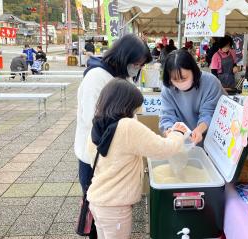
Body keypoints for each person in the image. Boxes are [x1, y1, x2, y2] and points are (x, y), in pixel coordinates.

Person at [87, 80, 187, 239]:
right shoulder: (127, 126)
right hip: (115, 207)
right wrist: (178, 133)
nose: (135, 111)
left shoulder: (98, 124)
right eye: (134, 107)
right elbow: (163, 149)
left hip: (98, 201)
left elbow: (95, 161)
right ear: (125, 105)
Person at [74, 33, 152, 239]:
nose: (138, 68)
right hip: (95, 158)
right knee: (97, 212)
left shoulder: (119, 75)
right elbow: (96, 121)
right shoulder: (97, 77)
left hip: (112, 156)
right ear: (124, 57)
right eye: (137, 63)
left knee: (106, 215)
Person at [159, 49, 225, 145]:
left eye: (184, 78)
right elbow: (167, 116)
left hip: (211, 141)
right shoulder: (168, 88)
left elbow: (209, 113)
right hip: (181, 141)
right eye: (175, 80)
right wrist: (169, 130)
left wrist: (199, 130)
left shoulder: (210, 83)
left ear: (193, 71)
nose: (180, 83)